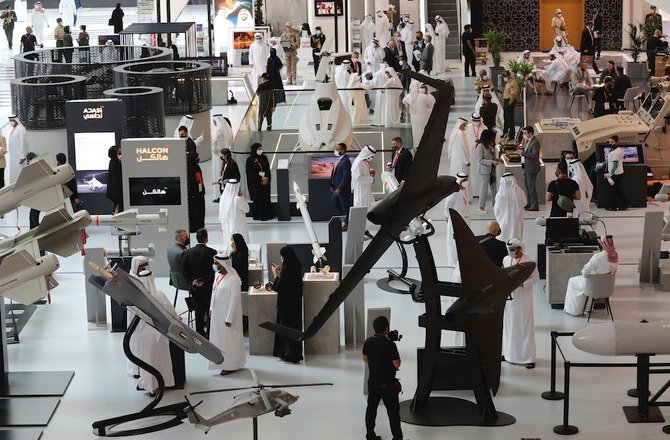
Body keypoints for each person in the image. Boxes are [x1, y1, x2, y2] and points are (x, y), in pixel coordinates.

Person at [128, 256, 177, 396]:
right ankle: (166, 382)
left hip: (144, 334)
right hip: (161, 333)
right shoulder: (160, 295)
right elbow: (172, 313)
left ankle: (152, 387)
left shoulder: (135, 297)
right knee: (162, 358)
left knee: (148, 360)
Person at [363, 315, 403, 440]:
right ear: (386, 329)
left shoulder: (368, 342)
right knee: (393, 413)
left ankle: (370, 435)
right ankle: (397, 437)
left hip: (373, 383)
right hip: (389, 385)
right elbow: (397, 363)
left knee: (371, 409)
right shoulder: (390, 345)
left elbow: (365, 359)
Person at [502, 238, 540, 369]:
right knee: (509, 326)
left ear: (519, 248)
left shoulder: (529, 260)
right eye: (508, 250)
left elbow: (536, 277)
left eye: (512, 249)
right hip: (509, 299)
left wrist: (524, 284)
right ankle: (509, 354)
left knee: (524, 327)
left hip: (523, 298)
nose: (510, 252)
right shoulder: (506, 260)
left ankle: (528, 358)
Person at [209, 253, 245, 375]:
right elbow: (214, 292)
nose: (214, 265)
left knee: (229, 341)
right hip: (217, 314)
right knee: (219, 339)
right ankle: (220, 363)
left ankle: (231, 365)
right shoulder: (217, 275)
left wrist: (229, 318)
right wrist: (211, 308)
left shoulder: (233, 279)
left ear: (223, 264)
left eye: (216, 263)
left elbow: (235, 299)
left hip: (228, 317)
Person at [564, 235, 618, 316]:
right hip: (606, 288)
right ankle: (588, 308)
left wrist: (588, 275)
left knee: (572, 281)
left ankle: (573, 310)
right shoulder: (615, 256)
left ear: (603, 244)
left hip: (593, 287)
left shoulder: (598, 257)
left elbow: (584, 272)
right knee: (590, 281)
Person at [182, 228, 217, 338]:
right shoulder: (212, 252)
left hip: (195, 288)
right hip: (208, 287)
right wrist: (202, 280)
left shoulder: (187, 253)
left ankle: (199, 335)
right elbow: (213, 272)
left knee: (198, 311)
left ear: (196, 238)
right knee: (209, 310)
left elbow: (184, 272)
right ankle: (209, 334)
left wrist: (195, 281)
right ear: (206, 239)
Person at [272, 246, 304, 363]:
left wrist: (276, 275)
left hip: (286, 305)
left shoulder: (287, 269)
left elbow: (279, 287)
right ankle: (295, 354)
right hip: (295, 304)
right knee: (295, 328)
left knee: (285, 328)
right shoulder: (296, 265)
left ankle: (288, 354)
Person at [445, 173, 469, 268]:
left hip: (465, 218)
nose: (466, 182)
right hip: (455, 219)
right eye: (464, 180)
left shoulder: (465, 189)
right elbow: (448, 204)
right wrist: (447, 215)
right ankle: (454, 261)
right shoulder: (454, 192)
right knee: (454, 240)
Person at [494, 172, 526, 243]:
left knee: (504, 239)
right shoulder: (520, 191)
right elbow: (524, 203)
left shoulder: (500, 194)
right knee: (516, 240)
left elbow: (497, 209)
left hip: (505, 221)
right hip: (518, 221)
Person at [246, 143, 273, 220]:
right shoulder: (250, 160)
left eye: (261, 148)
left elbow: (267, 169)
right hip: (256, 184)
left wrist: (267, 178)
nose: (261, 150)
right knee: (258, 200)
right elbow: (250, 173)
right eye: (259, 149)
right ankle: (259, 215)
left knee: (265, 199)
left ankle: (268, 214)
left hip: (265, 183)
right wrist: (260, 178)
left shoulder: (264, 157)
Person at [403, 82, 435, 148]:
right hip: (424, 117)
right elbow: (430, 105)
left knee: (415, 132)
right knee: (423, 131)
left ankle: (417, 145)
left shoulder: (409, 97)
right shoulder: (424, 96)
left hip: (414, 119)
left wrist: (409, 105)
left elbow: (403, 101)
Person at [219, 179, 249, 245]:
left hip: (227, 226)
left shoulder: (223, 198)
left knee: (229, 243)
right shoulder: (237, 199)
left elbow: (221, 212)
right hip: (238, 226)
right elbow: (247, 209)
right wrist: (242, 196)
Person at [603, 135, 629, 211]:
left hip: (616, 174)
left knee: (613, 190)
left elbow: (615, 164)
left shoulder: (616, 152)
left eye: (612, 142)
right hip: (617, 173)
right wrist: (602, 164)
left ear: (617, 142)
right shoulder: (617, 150)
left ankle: (613, 206)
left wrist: (610, 174)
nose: (610, 144)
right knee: (617, 190)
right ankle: (624, 204)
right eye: (609, 142)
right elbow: (609, 160)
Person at [211, 115, 234, 201]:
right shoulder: (226, 128)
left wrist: (214, 150)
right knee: (224, 173)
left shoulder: (218, 129)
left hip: (218, 155)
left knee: (218, 173)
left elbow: (214, 141)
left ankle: (219, 195)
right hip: (226, 153)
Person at [476, 129, 499, 213]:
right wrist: (491, 162)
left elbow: (493, 156)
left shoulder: (490, 145)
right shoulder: (481, 146)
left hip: (492, 169)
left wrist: (497, 160)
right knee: (484, 188)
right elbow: (480, 160)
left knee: (494, 187)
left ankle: (495, 204)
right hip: (484, 170)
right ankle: (481, 206)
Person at [351, 145, 376, 219]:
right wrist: (371, 179)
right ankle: (362, 228)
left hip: (366, 189)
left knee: (369, 207)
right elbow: (358, 178)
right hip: (361, 190)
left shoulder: (364, 161)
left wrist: (371, 170)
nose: (372, 158)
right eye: (371, 156)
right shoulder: (358, 162)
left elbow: (364, 170)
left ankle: (366, 226)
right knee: (362, 208)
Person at [331, 143, 352, 231]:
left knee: (346, 207)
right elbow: (334, 173)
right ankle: (345, 219)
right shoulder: (339, 160)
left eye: (337, 149)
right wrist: (332, 185)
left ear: (343, 150)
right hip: (336, 187)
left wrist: (340, 188)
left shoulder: (346, 161)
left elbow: (346, 176)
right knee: (334, 202)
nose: (335, 150)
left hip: (343, 189)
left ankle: (347, 224)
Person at [521, 125, 541, 211]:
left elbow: (534, 155)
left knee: (531, 187)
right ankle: (529, 203)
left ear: (530, 133)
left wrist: (523, 153)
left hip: (532, 168)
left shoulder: (535, 142)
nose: (524, 134)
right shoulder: (528, 141)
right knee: (528, 186)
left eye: (525, 133)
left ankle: (534, 206)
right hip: (527, 166)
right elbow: (526, 150)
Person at [186, 151, 205, 232]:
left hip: (199, 193)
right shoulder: (189, 169)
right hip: (193, 195)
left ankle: (200, 225)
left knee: (200, 209)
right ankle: (194, 226)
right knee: (195, 211)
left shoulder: (196, 167)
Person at [501, 71, 519, 141]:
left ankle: (511, 134)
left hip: (509, 101)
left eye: (505, 76)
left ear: (509, 76)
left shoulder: (513, 83)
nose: (504, 78)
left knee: (510, 119)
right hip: (506, 101)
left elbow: (513, 94)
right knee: (506, 118)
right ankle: (505, 132)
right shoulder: (508, 82)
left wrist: (509, 104)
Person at [25, 153, 40, 229]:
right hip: (35, 196)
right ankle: (33, 230)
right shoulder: (33, 169)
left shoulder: (32, 169)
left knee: (34, 214)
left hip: (36, 197)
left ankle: (35, 231)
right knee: (33, 214)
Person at [106, 145, 123, 214]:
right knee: (119, 203)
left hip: (115, 190)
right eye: (119, 152)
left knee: (118, 203)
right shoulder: (115, 163)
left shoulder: (113, 162)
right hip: (116, 190)